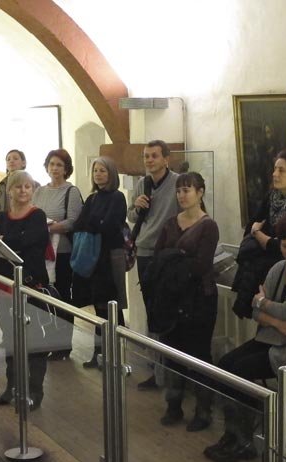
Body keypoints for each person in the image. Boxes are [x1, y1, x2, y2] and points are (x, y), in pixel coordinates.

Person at [206, 214, 286, 462]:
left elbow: (282, 309)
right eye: (285, 246)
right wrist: (275, 320)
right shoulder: (278, 268)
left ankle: (246, 439)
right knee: (225, 365)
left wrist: (263, 302)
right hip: (271, 337)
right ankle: (234, 433)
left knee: (240, 371)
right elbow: (256, 311)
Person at [154, 172, 219, 431]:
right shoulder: (171, 223)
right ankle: (174, 404)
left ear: (200, 192)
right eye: (179, 190)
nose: (182, 195)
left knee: (198, 354)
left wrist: (175, 257)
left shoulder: (208, 225)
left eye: (187, 190)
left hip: (199, 298)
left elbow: (201, 265)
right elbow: (159, 258)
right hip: (172, 297)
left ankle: (203, 411)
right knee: (173, 352)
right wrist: (177, 258)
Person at [0, 170, 50, 410]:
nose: (23, 191)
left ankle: (35, 390)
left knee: (34, 341)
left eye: (27, 187)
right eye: (18, 187)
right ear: (9, 191)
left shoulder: (37, 216)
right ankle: (12, 387)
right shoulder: (1, 217)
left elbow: (31, 242)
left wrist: (5, 240)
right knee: (10, 338)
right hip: (3, 284)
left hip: (29, 285)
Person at [231, 150, 286, 320]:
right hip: (261, 269)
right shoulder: (272, 197)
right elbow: (251, 225)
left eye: (281, 170)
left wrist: (258, 233)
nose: (274, 174)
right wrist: (260, 236)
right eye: (275, 169)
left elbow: (282, 246)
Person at [127, 140, 180, 390]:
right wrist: (136, 208)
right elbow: (131, 216)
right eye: (146, 156)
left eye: (154, 156)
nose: (149, 160)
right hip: (146, 251)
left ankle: (172, 371)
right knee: (152, 310)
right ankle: (158, 369)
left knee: (167, 310)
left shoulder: (178, 183)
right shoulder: (142, 184)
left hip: (168, 253)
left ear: (166, 159)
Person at [72, 156, 128, 368]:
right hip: (94, 257)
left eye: (103, 170)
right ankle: (98, 354)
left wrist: (93, 223)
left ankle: (117, 356)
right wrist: (94, 223)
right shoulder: (92, 198)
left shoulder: (117, 197)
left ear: (111, 173)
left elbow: (110, 225)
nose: (98, 174)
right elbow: (81, 224)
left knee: (113, 306)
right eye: (96, 170)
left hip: (111, 256)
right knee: (98, 307)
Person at [33, 149, 84, 361]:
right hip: (42, 253)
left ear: (66, 169)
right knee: (44, 298)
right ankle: (47, 341)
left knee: (62, 296)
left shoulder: (71, 192)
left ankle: (63, 344)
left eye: (59, 165)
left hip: (62, 253)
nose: (55, 168)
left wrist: (49, 228)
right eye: (52, 164)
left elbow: (74, 221)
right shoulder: (39, 191)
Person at [0, 149, 37, 218]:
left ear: (23, 163)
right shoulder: (2, 184)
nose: (11, 161)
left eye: (15, 158)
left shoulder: (33, 184)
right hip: (3, 223)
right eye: (8, 159)